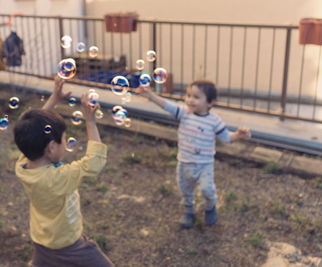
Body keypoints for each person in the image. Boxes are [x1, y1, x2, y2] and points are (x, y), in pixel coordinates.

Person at [14, 76, 114, 266]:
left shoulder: (22, 165)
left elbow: (31, 129)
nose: (66, 143)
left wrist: (54, 98)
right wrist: (90, 121)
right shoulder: (58, 178)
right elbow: (93, 163)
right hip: (69, 246)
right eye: (64, 139)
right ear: (51, 147)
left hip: (42, 240)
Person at [138, 80, 251, 229]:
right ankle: (188, 211)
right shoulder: (184, 113)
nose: (190, 100)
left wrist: (238, 135)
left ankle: (210, 207)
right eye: (188, 95)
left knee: (207, 189)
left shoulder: (214, 121)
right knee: (185, 189)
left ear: (210, 102)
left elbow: (227, 138)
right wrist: (151, 96)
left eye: (196, 97)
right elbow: (167, 105)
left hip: (204, 165)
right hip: (184, 162)